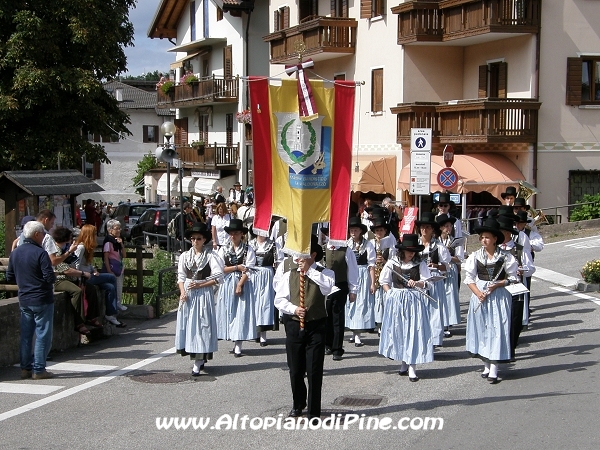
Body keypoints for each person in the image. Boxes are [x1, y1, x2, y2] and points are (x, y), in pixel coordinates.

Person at [274, 234, 336, 419]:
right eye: (297, 254)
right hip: (294, 325)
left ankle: (313, 411)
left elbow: (327, 288)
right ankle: (298, 403)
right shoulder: (289, 274)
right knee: (295, 369)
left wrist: (309, 271)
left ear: (314, 255)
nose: (299, 258)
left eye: (304, 254)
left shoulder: (325, 273)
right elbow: (279, 299)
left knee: (314, 369)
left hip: (317, 325)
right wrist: (294, 309)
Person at [464, 217, 519, 384]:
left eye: (487, 237)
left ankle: (494, 367)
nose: (483, 240)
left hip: (499, 297)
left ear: (495, 239)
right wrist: (478, 293)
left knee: (497, 329)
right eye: (482, 237)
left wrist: (499, 284)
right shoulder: (475, 256)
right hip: (480, 296)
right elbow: (469, 278)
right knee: (482, 329)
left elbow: (514, 278)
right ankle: (486, 364)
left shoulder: (506, 257)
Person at [378, 234, 433, 382]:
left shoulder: (419, 263)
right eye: (409, 250)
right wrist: (390, 293)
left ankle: (412, 367)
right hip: (397, 300)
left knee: (413, 332)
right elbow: (383, 280)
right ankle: (403, 363)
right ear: (402, 250)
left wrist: (418, 283)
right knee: (400, 331)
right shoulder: (392, 262)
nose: (412, 253)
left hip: (414, 301)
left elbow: (428, 282)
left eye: (414, 251)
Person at [6, 221, 56, 380]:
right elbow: (49, 277)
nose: (44, 237)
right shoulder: (40, 253)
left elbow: (9, 277)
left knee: (26, 335)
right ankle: (39, 369)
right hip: (42, 298)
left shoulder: (15, 253)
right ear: (36, 234)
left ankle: (25, 368)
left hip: (25, 298)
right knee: (43, 334)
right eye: (42, 233)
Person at [176, 224, 223, 376]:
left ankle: (199, 360)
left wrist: (202, 283)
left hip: (203, 294)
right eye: (193, 239)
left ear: (204, 240)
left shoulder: (211, 256)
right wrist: (183, 292)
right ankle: (197, 356)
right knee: (189, 326)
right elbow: (181, 277)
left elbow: (218, 278)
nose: (195, 241)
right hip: (189, 293)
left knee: (202, 326)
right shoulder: (185, 256)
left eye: (198, 239)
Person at [216, 219, 256, 357]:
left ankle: (238, 344)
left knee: (241, 313)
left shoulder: (248, 249)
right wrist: (236, 267)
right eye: (231, 233)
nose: (233, 236)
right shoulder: (223, 249)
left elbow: (249, 269)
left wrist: (240, 284)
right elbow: (220, 268)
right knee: (228, 311)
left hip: (242, 281)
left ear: (241, 234)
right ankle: (229, 335)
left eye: (236, 233)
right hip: (227, 282)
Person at [496, 215, 535, 358]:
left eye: (501, 231)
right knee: (500, 319)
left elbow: (530, 268)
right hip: (499, 289)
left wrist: (522, 269)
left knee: (515, 319)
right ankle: (500, 349)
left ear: (508, 233)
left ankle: (511, 348)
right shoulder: (495, 250)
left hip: (515, 288)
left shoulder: (519, 249)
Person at [74, 224, 125, 328]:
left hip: (90, 274)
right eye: (94, 234)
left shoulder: (86, 247)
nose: (96, 236)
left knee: (110, 287)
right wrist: (82, 277)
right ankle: (117, 304)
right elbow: (76, 265)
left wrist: (94, 270)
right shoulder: (81, 247)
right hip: (85, 277)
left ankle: (110, 314)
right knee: (111, 277)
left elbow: (87, 264)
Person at [51, 227, 96, 341]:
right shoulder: (55, 250)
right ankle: (79, 322)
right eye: (71, 238)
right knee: (77, 291)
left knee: (90, 288)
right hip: (59, 279)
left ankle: (91, 317)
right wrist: (82, 273)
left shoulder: (65, 248)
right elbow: (65, 269)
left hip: (69, 277)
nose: (73, 240)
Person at [322, 227, 359, 361]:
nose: (330, 236)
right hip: (324, 287)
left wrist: (353, 290)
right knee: (326, 317)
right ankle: (328, 344)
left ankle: (337, 349)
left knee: (337, 318)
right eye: (328, 233)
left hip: (340, 285)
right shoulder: (321, 249)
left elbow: (353, 271)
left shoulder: (346, 250)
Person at [416, 211, 450, 344]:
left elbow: (446, 267)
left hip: (434, 279)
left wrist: (436, 265)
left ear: (432, 230)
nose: (424, 230)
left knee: (435, 309)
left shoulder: (439, 246)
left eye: (428, 227)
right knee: (420, 309)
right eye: (422, 227)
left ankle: (434, 339)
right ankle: (421, 338)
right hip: (419, 279)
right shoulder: (415, 245)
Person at [346, 217, 376, 347]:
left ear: (360, 231)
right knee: (350, 304)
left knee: (360, 304)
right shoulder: (346, 244)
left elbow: (372, 265)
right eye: (351, 230)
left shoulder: (368, 245)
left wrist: (373, 283)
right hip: (350, 274)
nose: (353, 232)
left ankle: (358, 335)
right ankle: (353, 333)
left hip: (363, 275)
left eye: (356, 230)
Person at [248, 231, 278, 346]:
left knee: (265, 303)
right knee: (254, 302)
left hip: (267, 274)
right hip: (253, 274)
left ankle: (263, 334)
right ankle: (256, 331)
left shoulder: (273, 244)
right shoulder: (250, 244)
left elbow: (278, 261)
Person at [436, 214, 463, 335]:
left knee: (449, 297)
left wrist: (448, 255)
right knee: (439, 296)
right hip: (438, 269)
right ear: (441, 228)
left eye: (450, 226)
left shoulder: (454, 241)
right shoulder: (436, 241)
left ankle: (447, 324)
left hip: (450, 269)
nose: (449, 228)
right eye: (446, 226)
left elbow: (459, 258)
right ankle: (439, 323)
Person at [369, 217, 397, 334]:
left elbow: (394, 260)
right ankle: (376, 322)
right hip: (374, 273)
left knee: (385, 299)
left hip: (386, 273)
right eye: (377, 231)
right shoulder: (370, 243)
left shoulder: (390, 244)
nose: (379, 233)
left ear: (385, 231)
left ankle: (385, 323)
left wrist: (384, 261)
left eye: (381, 230)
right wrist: (374, 260)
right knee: (375, 300)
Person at [102, 219, 127, 312]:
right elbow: (106, 258)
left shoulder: (118, 242)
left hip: (118, 267)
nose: (119, 230)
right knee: (114, 288)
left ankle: (119, 303)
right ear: (110, 230)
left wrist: (122, 244)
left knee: (119, 287)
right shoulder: (109, 242)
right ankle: (116, 305)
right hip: (112, 268)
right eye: (117, 229)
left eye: (119, 228)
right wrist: (109, 271)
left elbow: (124, 255)